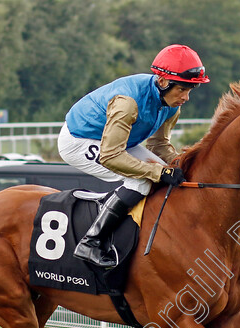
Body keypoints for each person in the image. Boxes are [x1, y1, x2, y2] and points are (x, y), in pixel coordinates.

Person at [57, 44, 208, 267]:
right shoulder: (128, 103)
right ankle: (91, 242)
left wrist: (182, 166)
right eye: (182, 89)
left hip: (120, 141)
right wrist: (159, 171)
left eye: (190, 90)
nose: (186, 97)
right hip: (80, 140)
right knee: (141, 180)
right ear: (164, 82)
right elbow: (110, 156)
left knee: (163, 172)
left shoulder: (172, 104)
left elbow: (158, 145)